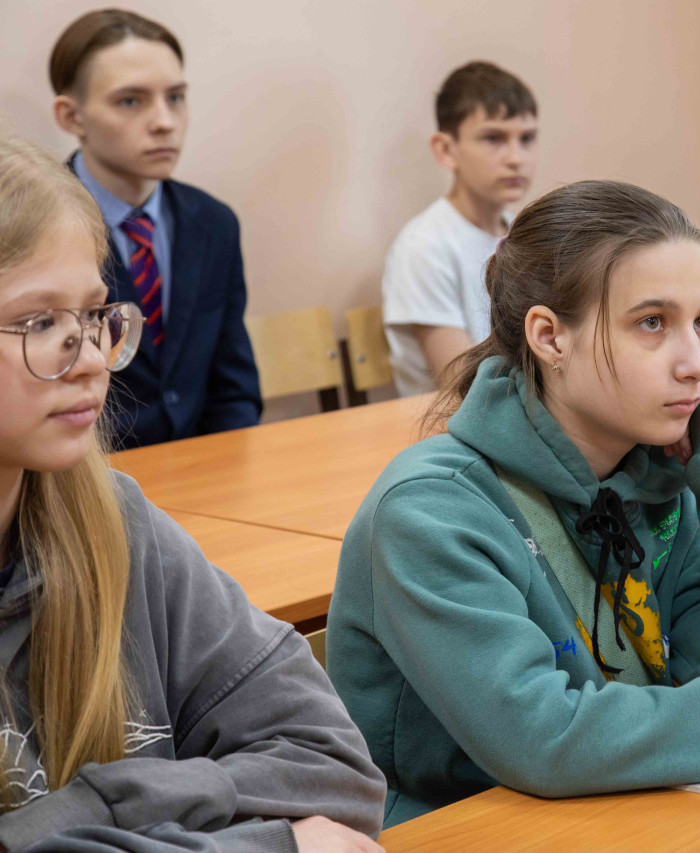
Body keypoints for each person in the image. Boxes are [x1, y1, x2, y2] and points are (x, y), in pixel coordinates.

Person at [329, 180, 700, 825]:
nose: (698, 363)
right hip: (463, 830)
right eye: (652, 323)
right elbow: (546, 739)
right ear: (550, 338)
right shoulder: (429, 512)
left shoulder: (654, 479)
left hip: (626, 813)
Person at [0, 138, 385, 851]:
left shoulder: (113, 521)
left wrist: (102, 806)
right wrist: (271, 843)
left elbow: (335, 769)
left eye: (93, 316)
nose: (92, 359)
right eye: (41, 323)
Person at [50, 9, 261, 449]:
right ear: (72, 117)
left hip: (207, 468)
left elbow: (234, 386)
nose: (165, 121)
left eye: (176, 97)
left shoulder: (213, 223)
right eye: (131, 101)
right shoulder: (36, 228)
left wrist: (228, 468)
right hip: (87, 473)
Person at [382, 61, 539, 396]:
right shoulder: (424, 246)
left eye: (526, 138)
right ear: (446, 150)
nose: (516, 158)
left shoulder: (524, 231)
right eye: (494, 138)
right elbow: (462, 386)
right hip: (457, 421)